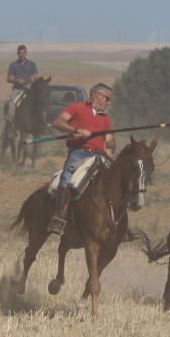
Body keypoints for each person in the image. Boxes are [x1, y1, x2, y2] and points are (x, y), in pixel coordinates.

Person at [47, 83, 115, 236]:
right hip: (79, 153)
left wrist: (110, 147)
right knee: (67, 179)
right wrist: (76, 130)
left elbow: (110, 139)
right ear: (97, 95)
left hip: (99, 156)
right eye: (107, 98)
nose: (108, 102)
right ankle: (59, 217)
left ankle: (117, 221)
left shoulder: (105, 118)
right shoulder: (76, 107)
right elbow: (58, 122)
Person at [5, 44, 39, 122]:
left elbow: (36, 77)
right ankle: (10, 124)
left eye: (23, 53)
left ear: (26, 53)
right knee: (11, 104)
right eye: (20, 53)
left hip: (29, 89)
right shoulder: (13, 64)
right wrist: (17, 80)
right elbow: (8, 78)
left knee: (38, 104)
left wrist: (31, 84)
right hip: (17, 90)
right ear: (17, 53)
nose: (22, 55)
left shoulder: (32, 64)